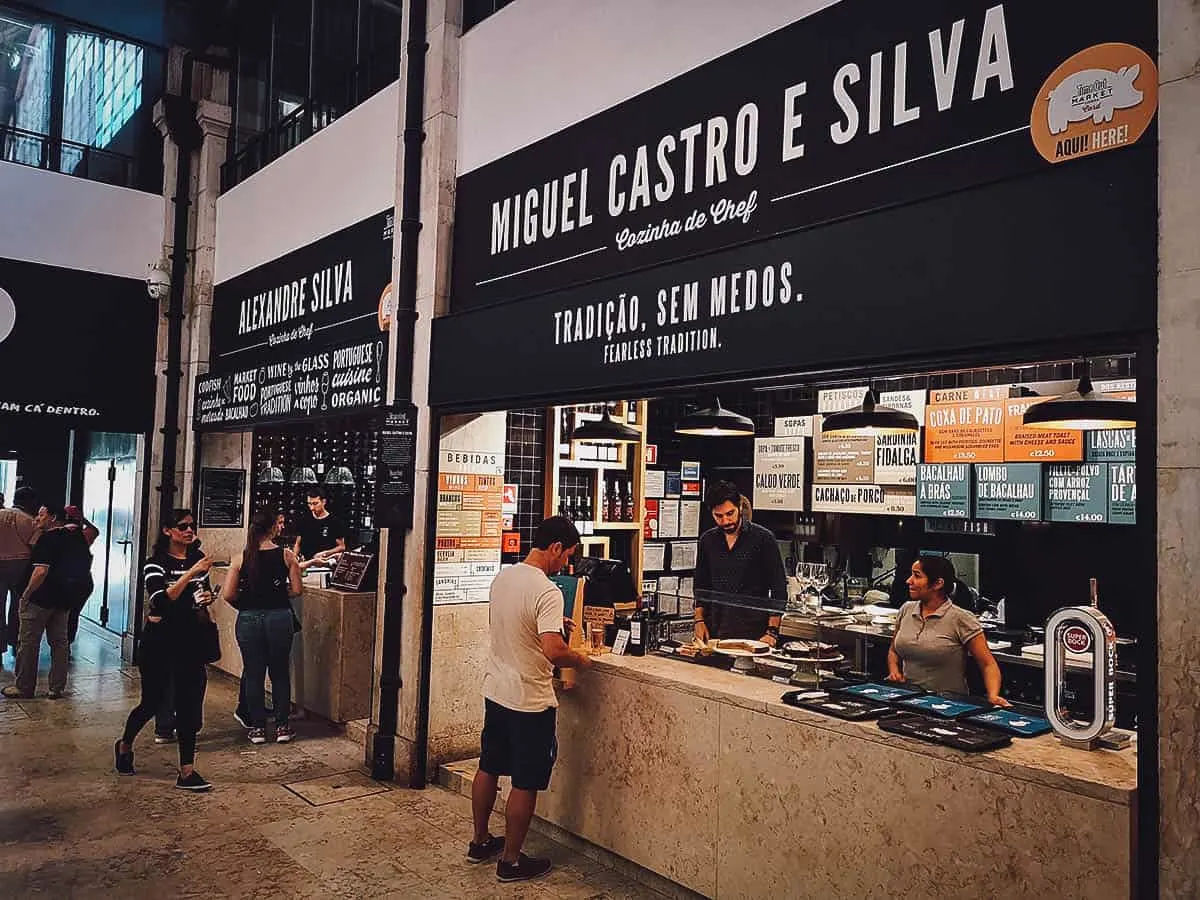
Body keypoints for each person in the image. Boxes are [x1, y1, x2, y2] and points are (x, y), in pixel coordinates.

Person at [470, 516, 591, 883]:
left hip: (497, 691)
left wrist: (552, 627)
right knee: (524, 781)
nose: (566, 564)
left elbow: (515, 623)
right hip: (529, 701)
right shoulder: (548, 590)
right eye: (567, 555)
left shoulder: (504, 576)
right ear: (555, 547)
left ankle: (479, 842)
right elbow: (554, 651)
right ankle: (511, 861)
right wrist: (581, 658)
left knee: (489, 767)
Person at [114, 509, 214, 791]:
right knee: (153, 702)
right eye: (182, 527)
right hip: (160, 642)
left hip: (191, 639)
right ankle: (124, 745)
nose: (189, 531)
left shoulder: (196, 560)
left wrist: (206, 597)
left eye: (191, 526)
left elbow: (195, 596)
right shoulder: (155, 564)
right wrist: (191, 574)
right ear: (168, 531)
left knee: (189, 705)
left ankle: (186, 770)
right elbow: (160, 600)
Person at [222, 509, 302, 744]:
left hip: (249, 619)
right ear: (272, 528)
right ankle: (282, 727)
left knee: (254, 674)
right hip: (279, 617)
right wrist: (276, 593)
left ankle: (257, 728)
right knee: (279, 673)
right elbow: (297, 590)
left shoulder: (241, 558)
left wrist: (249, 601)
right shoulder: (287, 556)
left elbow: (228, 594)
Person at [886, 554, 1010, 705]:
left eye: (917, 576)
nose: (909, 581)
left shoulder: (961, 618)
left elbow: (988, 664)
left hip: (947, 703)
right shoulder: (906, 609)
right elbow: (894, 650)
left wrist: (993, 695)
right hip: (907, 698)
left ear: (938, 583)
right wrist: (894, 671)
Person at [3, 503, 93, 699]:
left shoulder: (48, 539)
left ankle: (24, 687)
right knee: (60, 643)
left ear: (53, 518)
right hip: (64, 598)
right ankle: (56, 687)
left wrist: (26, 594)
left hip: (41, 598)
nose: (37, 518)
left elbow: (41, 571)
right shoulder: (77, 538)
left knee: (28, 642)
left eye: (42, 515)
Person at [692, 481, 787, 646]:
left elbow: (778, 589)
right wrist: (699, 621)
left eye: (730, 513)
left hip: (753, 633)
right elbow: (701, 585)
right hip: (715, 630)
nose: (726, 521)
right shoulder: (707, 540)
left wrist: (772, 633)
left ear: (740, 508)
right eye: (719, 516)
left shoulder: (763, 539)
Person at [0, 486, 38, 657]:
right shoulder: (29, 520)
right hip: (21, 565)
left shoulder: (1, 514)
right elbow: (35, 546)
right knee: (19, 606)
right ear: (29, 502)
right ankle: (16, 643)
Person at [61, 505, 99, 649]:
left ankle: (60, 644)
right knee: (73, 614)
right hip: (83, 581)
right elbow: (95, 530)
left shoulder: (55, 534)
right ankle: (67, 643)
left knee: (60, 615)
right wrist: (83, 519)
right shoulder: (85, 535)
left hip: (63, 581)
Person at [294, 487, 346, 571]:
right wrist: (294, 558)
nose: (311, 508)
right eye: (309, 504)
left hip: (325, 565)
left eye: (315, 504)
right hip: (306, 564)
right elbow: (298, 543)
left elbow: (341, 547)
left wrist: (325, 553)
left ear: (323, 502)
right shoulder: (303, 520)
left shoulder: (335, 522)